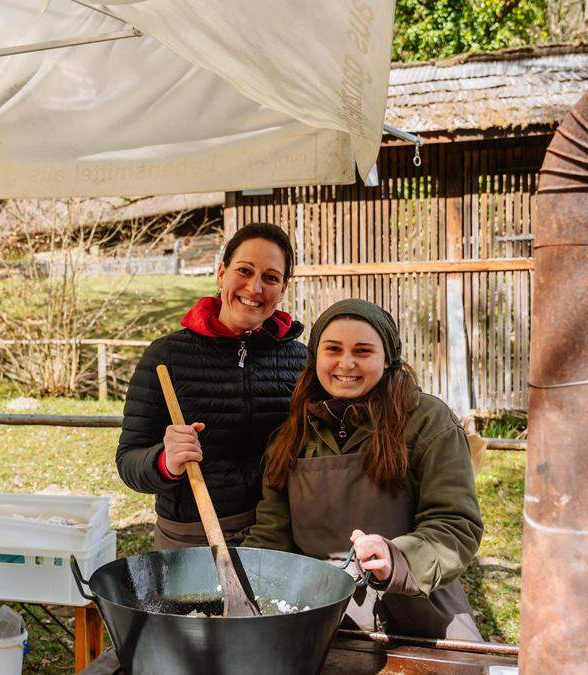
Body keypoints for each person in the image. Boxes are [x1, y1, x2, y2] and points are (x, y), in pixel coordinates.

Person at [243, 298, 484, 640]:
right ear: (315, 359)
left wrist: (396, 558)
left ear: (388, 359)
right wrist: (239, 581)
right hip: (318, 606)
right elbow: (272, 536)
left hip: (414, 601)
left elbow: (455, 525)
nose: (346, 363)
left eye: (363, 351)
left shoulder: (427, 421)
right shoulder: (292, 434)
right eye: (333, 349)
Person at [117, 223, 306, 550]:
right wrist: (166, 461)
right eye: (244, 271)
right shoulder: (167, 357)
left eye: (271, 277)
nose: (255, 287)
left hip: (278, 534)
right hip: (192, 537)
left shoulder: (302, 362)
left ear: (284, 288)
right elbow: (129, 461)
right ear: (221, 274)